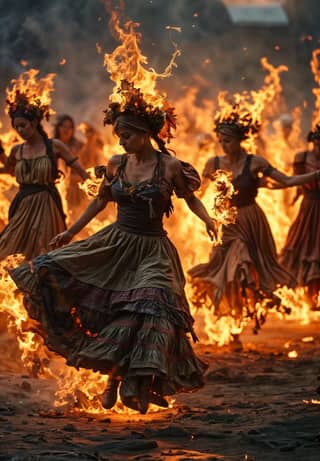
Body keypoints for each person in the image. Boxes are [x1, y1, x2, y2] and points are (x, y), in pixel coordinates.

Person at [10, 81, 216, 414]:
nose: (121, 140)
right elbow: (99, 201)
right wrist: (71, 233)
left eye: (127, 135)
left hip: (153, 250)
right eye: (118, 135)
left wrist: (208, 220)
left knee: (151, 306)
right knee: (51, 269)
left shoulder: (170, 167)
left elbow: (190, 198)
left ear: (146, 133)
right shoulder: (117, 164)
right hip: (116, 244)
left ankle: (135, 380)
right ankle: (114, 376)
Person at [189, 109, 320, 336]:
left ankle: (239, 323)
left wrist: (316, 175)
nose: (223, 145)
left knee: (246, 270)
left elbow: (288, 180)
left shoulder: (255, 162)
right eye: (220, 140)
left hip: (252, 222)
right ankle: (232, 329)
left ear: (240, 140)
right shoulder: (213, 163)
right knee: (230, 272)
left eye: (227, 140)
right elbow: (198, 193)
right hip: (226, 224)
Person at [0, 93, 89, 261]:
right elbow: (8, 170)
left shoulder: (54, 146)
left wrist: (92, 183)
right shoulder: (16, 150)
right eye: (16, 127)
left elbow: (79, 168)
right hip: (23, 205)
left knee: (45, 250)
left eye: (22, 125)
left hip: (47, 205)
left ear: (33, 123)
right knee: (9, 247)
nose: (19, 131)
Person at [280, 124, 320, 310]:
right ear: (312, 142)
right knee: (302, 248)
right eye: (317, 143)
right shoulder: (302, 158)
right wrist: (293, 199)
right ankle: (304, 298)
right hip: (308, 208)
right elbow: (296, 182)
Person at [54, 114, 87, 222]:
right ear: (57, 127)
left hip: (76, 191)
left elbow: (85, 169)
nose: (67, 130)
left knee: (75, 219)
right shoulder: (51, 146)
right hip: (56, 189)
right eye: (63, 126)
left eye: (70, 127)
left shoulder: (79, 146)